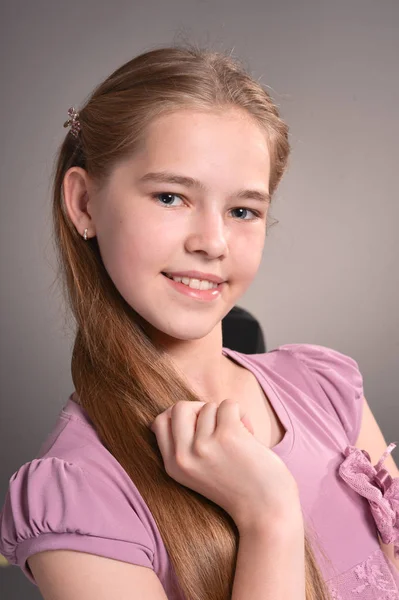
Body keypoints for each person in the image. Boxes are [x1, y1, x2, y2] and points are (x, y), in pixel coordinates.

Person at [0, 44, 398, 600]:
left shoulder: (327, 390)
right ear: (85, 203)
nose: (212, 243)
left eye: (243, 211)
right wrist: (269, 518)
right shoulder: (80, 495)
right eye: (171, 196)